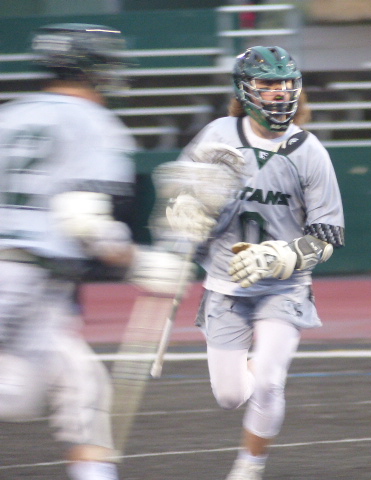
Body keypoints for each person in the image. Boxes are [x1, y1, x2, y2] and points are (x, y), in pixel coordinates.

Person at [0, 23, 186, 480]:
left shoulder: (10, 115)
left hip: (29, 279)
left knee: (78, 388)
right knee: (49, 394)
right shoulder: (92, 122)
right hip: (26, 279)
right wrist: (143, 263)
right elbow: (83, 221)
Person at [174, 46, 345, 480]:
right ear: (245, 90)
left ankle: (249, 468)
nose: (280, 92)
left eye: (286, 83)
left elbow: (328, 237)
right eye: (268, 84)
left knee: (268, 382)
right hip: (225, 284)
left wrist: (284, 255)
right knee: (230, 396)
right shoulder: (217, 135)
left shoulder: (309, 151)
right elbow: (181, 202)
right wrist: (187, 212)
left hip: (284, 286)